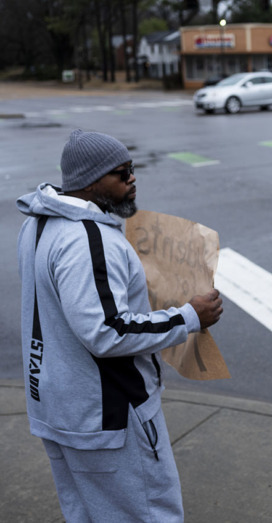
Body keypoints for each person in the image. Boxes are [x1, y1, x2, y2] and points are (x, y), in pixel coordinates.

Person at [17, 129, 224, 522]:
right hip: (108, 413)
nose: (133, 179)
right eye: (122, 172)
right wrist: (190, 316)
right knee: (148, 513)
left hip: (56, 407)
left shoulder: (38, 224)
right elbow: (106, 332)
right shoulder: (88, 238)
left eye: (132, 169)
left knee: (88, 514)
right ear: (91, 181)